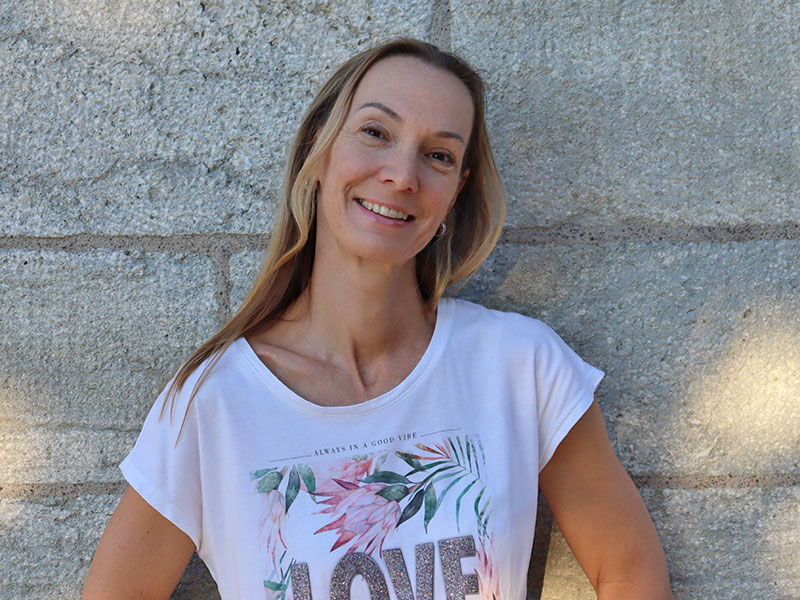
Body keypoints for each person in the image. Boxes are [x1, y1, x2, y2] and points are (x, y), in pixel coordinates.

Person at [83, 38, 672, 600]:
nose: (402, 175)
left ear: (456, 191)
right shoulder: (213, 404)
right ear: (319, 148)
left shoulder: (521, 368)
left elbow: (629, 571)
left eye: (438, 155)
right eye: (375, 132)